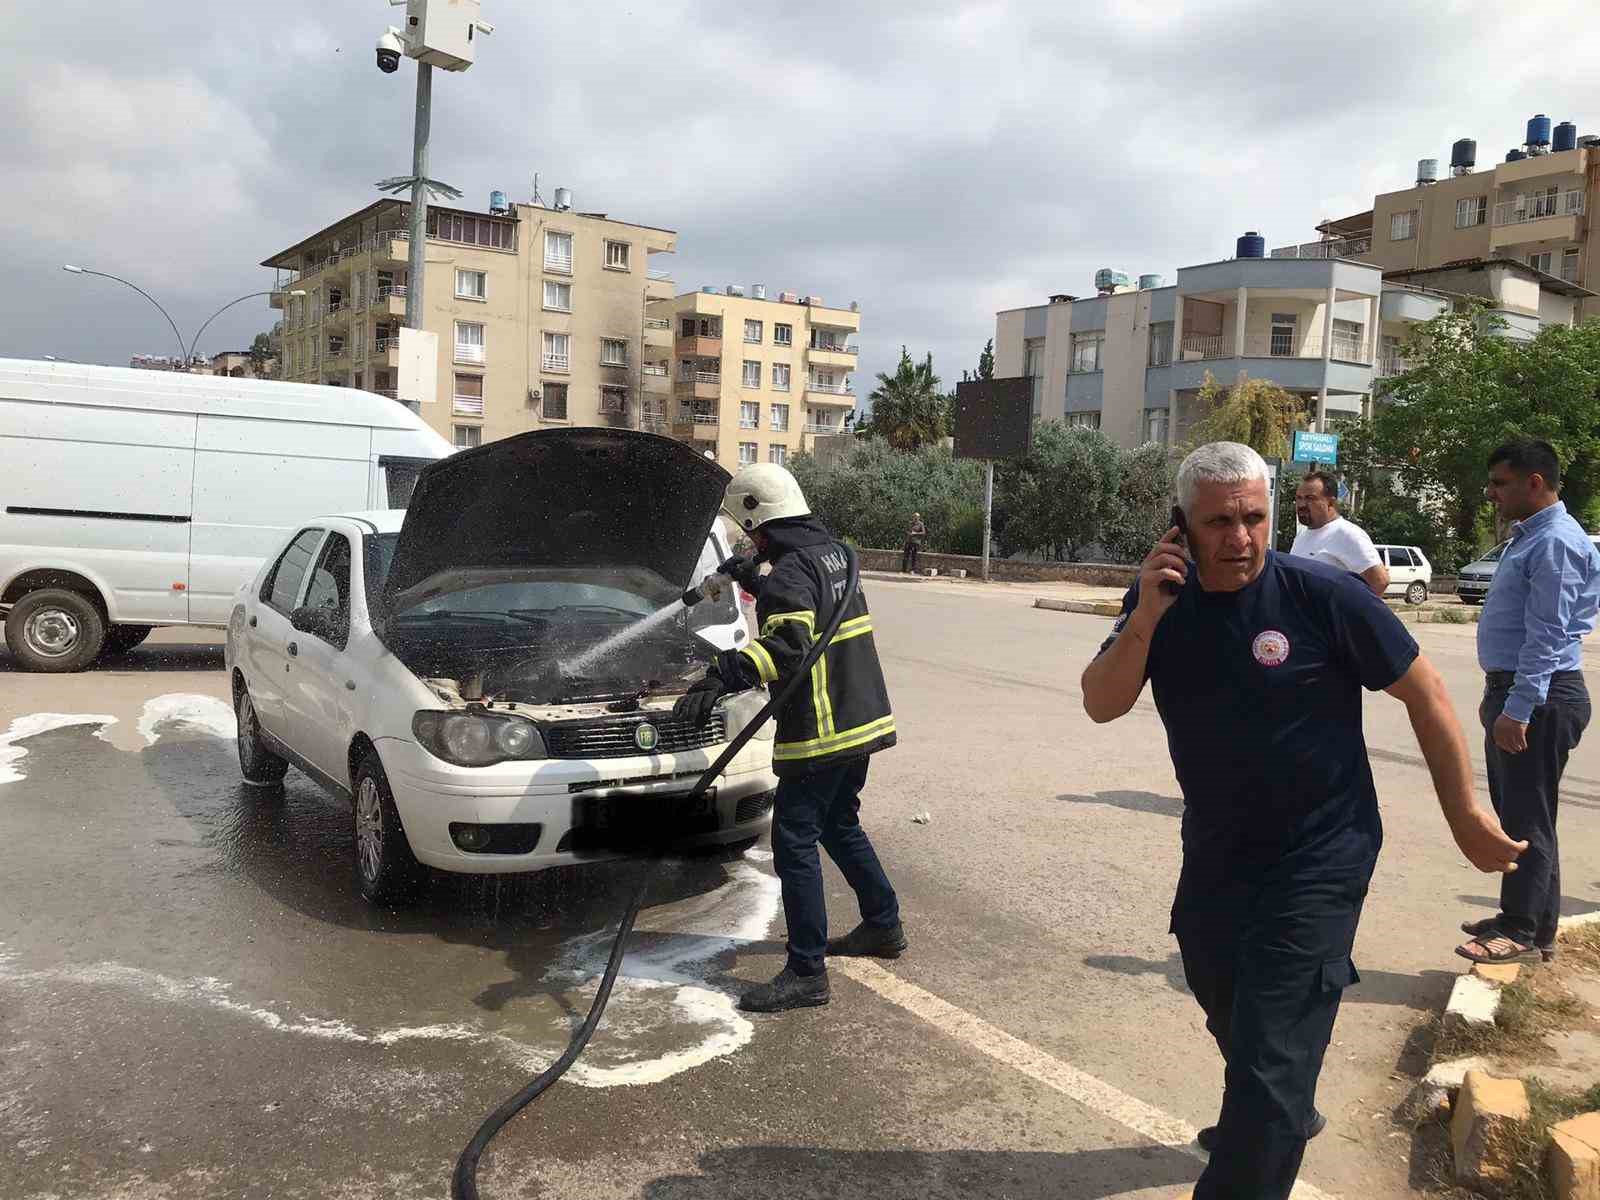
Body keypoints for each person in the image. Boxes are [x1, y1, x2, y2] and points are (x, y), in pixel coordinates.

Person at [1080, 441, 1524, 1200]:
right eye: (1220, 522)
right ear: (1180, 525)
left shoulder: (1322, 595)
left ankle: (1265, 1121)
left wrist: (1466, 815)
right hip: (1217, 849)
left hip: (1321, 851)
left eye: (1255, 518)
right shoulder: (1158, 599)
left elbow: (1427, 693)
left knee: (1272, 1058)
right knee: (1225, 998)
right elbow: (1102, 701)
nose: (1242, 537)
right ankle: (1276, 1106)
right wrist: (1147, 615)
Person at [674, 462, 905, 1013]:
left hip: (822, 729)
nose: (748, 541)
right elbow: (810, 608)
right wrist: (755, 579)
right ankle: (882, 924)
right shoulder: (834, 555)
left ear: (762, 522)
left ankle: (806, 972)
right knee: (839, 823)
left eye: (749, 531)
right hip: (863, 719)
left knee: (795, 840)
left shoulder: (790, 575)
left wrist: (722, 674)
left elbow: (787, 648)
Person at [1458, 439, 1600, 965]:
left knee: (1524, 820)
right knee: (1531, 815)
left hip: (1537, 695)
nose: (1492, 493)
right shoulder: (1534, 538)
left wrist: (1518, 708)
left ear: (1534, 482)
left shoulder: (1555, 543)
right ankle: (1536, 926)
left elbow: (1548, 634)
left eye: (1500, 483)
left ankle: (1517, 929)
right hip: (1522, 690)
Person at [1289, 470, 1389, 597]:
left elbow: (1380, 580)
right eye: (1299, 498)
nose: (1301, 504)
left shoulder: (1347, 534)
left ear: (1330, 502)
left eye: (1310, 498)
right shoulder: (1302, 534)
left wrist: (1345, 613)